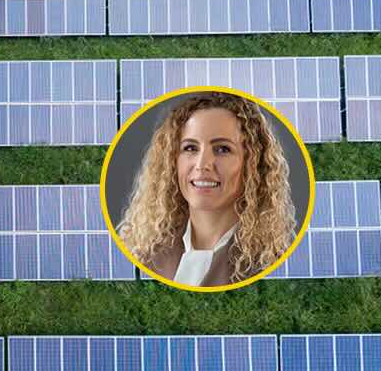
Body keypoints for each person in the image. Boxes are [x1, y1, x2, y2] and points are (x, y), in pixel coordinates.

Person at [117, 92, 296, 287]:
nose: (202, 164)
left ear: (253, 164)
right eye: (190, 148)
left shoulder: (271, 262)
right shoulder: (145, 252)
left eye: (222, 149)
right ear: (172, 161)